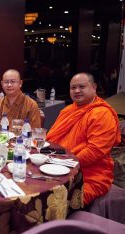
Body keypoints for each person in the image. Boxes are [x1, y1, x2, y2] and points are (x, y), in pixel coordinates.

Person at [46, 72, 121, 205]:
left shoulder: (102, 114)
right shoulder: (68, 110)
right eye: (73, 87)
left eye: (82, 87)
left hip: (88, 173)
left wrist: (66, 165)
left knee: (55, 201)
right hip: (57, 164)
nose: (77, 91)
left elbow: (95, 151)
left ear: (94, 87)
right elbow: (52, 138)